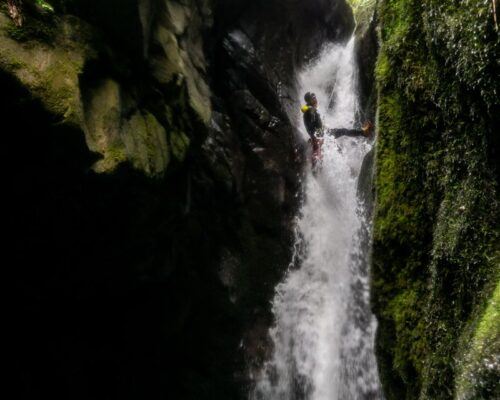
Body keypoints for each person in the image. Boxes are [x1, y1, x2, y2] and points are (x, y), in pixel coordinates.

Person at [301, 92, 324, 167]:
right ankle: (316, 173)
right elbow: (310, 125)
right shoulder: (310, 111)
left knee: (318, 154)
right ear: (310, 101)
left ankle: (316, 172)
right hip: (317, 137)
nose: (316, 99)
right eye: (313, 98)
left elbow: (314, 124)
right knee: (317, 154)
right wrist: (314, 137)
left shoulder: (311, 110)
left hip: (318, 135)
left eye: (315, 97)